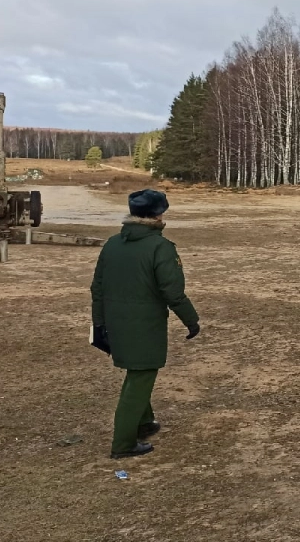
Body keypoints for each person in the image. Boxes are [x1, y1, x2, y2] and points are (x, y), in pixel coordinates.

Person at [90, 189, 200, 459]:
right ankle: (123, 443)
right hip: (144, 325)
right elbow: (172, 292)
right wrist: (191, 320)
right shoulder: (160, 247)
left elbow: (97, 288)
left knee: (137, 372)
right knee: (140, 377)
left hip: (116, 323)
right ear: (158, 214)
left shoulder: (113, 243)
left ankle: (144, 422)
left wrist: (100, 324)